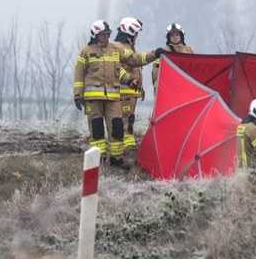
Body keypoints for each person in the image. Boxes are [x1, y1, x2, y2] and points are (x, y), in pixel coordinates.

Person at [73, 20, 164, 170]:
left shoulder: (115, 49)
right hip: (93, 99)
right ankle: (98, 161)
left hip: (113, 98)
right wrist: (77, 95)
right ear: (95, 35)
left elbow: (134, 59)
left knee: (117, 128)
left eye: (107, 34)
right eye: (102, 35)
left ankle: (117, 161)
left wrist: (154, 54)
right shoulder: (86, 51)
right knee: (97, 131)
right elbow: (78, 75)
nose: (105, 37)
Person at [113, 17, 146, 155]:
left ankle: (128, 144)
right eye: (136, 32)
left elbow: (136, 69)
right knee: (126, 119)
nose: (137, 36)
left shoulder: (129, 47)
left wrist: (140, 88)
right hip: (124, 92)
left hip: (132, 92)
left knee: (129, 117)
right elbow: (118, 68)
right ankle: (128, 147)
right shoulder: (118, 47)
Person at [152, 23, 194, 93]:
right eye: (172, 35)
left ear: (181, 36)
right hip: (170, 88)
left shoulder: (189, 50)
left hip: (186, 86)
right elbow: (156, 72)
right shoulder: (163, 51)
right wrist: (157, 88)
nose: (175, 37)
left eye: (177, 35)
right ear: (169, 37)